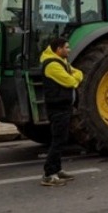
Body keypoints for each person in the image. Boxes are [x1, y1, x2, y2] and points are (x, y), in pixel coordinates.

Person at [39, 36, 83, 186]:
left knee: (61, 139)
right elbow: (71, 81)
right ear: (58, 49)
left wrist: (75, 77)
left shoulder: (61, 62)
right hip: (57, 107)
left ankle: (57, 170)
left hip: (64, 106)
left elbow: (79, 73)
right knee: (58, 140)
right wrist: (74, 79)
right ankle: (48, 174)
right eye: (66, 47)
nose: (69, 50)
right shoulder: (52, 65)